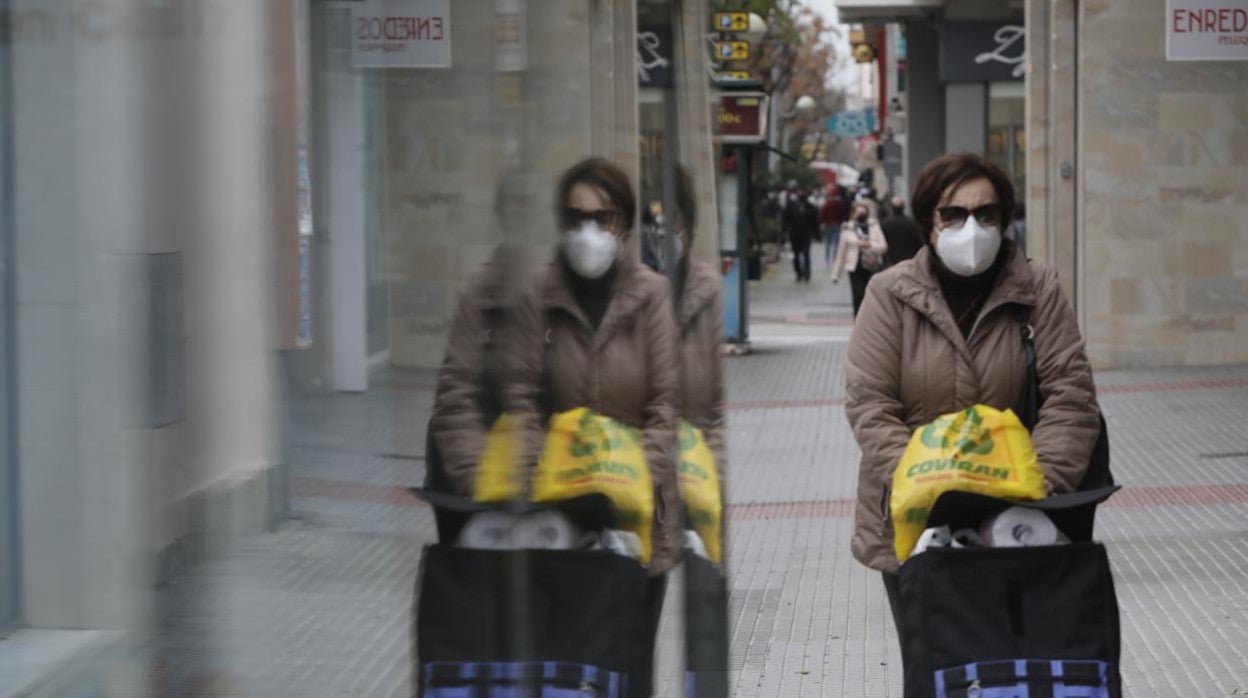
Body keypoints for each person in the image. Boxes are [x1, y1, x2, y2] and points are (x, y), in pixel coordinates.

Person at [843, 152, 1101, 665]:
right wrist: (931, 488)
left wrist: (1036, 490)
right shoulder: (889, 295)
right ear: (928, 222)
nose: (972, 227)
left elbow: (1070, 398)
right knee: (936, 670)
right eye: (953, 214)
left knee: (1013, 670)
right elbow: (870, 405)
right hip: (916, 525)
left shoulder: (1039, 291)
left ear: (1005, 219)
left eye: (986, 214)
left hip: (1021, 521)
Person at [507, 157, 680, 695]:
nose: (588, 231)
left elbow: (666, 404)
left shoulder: (651, 295)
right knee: (561, 666)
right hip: (557, 515)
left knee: (626, 666)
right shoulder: (538, 293)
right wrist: (542, 481)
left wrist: (629, 484)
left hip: (636, 517)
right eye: (576, 216)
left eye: (602, 218)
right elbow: (518, 397)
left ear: (624, 225)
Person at [830, 202, 888, 317]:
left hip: (872, 265)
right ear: (853, 214)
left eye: (863, 212)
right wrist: (836, 274)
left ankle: (870, 321)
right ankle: (857, 321)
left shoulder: (874, 226)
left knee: (870, 296)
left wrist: (869, 245)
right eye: (858, 212)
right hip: (854, 266)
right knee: (857, 295)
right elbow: (841, 253)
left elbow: (883, 246)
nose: (861, 214)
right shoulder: (847, 228)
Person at [782, 184, 819, 282]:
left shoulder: (809, 206)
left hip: (806, 234)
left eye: (802, 191)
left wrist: (816, 233)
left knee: (806, 254)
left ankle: (807, 274)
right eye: (799, 191)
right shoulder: (791, 205)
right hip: (795, 234)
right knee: (796, 255)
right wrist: (785, 230)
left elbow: (815, 221)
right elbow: (785, 219)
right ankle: (799, 273)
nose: (801, 193)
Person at [879, 195, 924, 266]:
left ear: (891, 208)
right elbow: (919, 242)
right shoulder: (912, 223)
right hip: (910, 260)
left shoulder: (884, 224)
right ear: (903, 207)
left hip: (891, 261)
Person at [820, 186, 845, 267]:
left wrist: (823, 222)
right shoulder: (839, 204)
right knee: (835, 244)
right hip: (836, 225)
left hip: (828, 224)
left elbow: (823, 214)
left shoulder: (827, 204)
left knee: (828, 243)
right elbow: (842, 215)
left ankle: (827, 261)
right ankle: (834, 260)